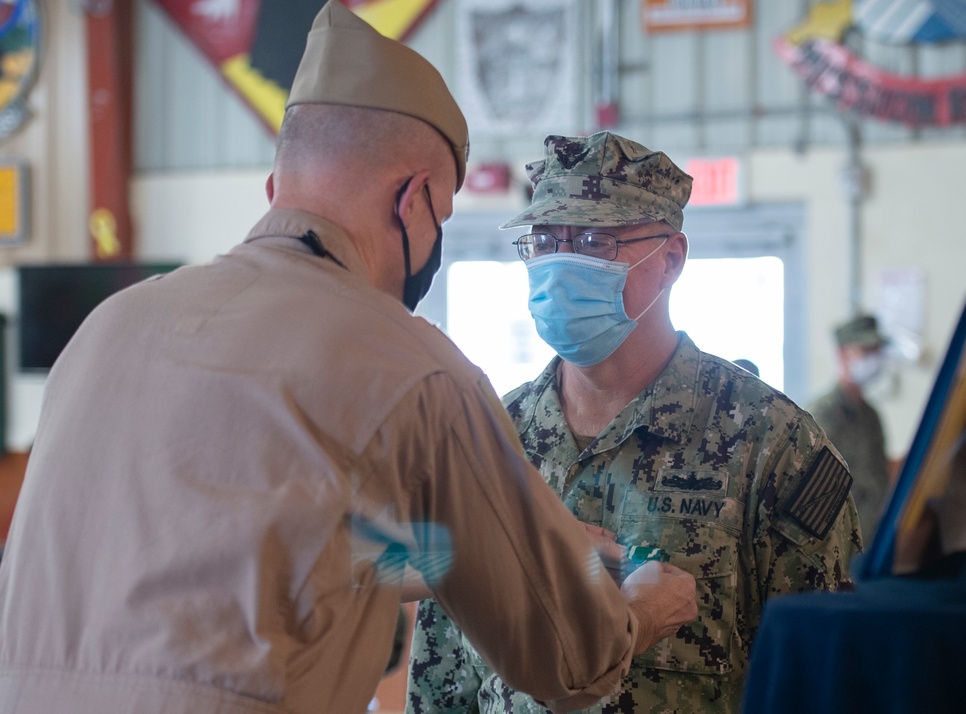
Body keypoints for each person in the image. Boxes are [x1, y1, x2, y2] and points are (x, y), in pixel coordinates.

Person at [0, 8, 699, 714]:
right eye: (444, 216)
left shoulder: (110, 328)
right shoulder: (412, 367)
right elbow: (570, 660)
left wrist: (494, 554)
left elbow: (276, 552)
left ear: (278, 189)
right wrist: (639, 607)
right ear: (412, 198)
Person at [407, 131, 863, 714]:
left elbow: (824, 672)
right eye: (545, 240)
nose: (561, 263)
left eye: (596, 241)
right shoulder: (485, 435)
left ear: (670, 259)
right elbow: (441, 676)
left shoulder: (771, 443)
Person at [808, 314, 893, 541]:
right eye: (866, 351)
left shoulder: (871, 416)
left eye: (877, 351)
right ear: (843, 355)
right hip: (836, 544)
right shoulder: (820, 415)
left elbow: (881, 479)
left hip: (872, 537)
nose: (874, 359)